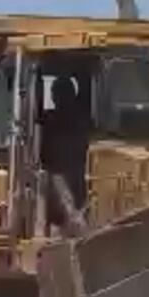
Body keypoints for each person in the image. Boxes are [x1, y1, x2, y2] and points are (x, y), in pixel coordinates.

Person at [40, 76, 89, 231]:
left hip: (75, 171)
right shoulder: (47, 118)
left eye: (61, 93)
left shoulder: (81, 120)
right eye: (55, 93)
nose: (57, 98)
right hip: (56, 170)